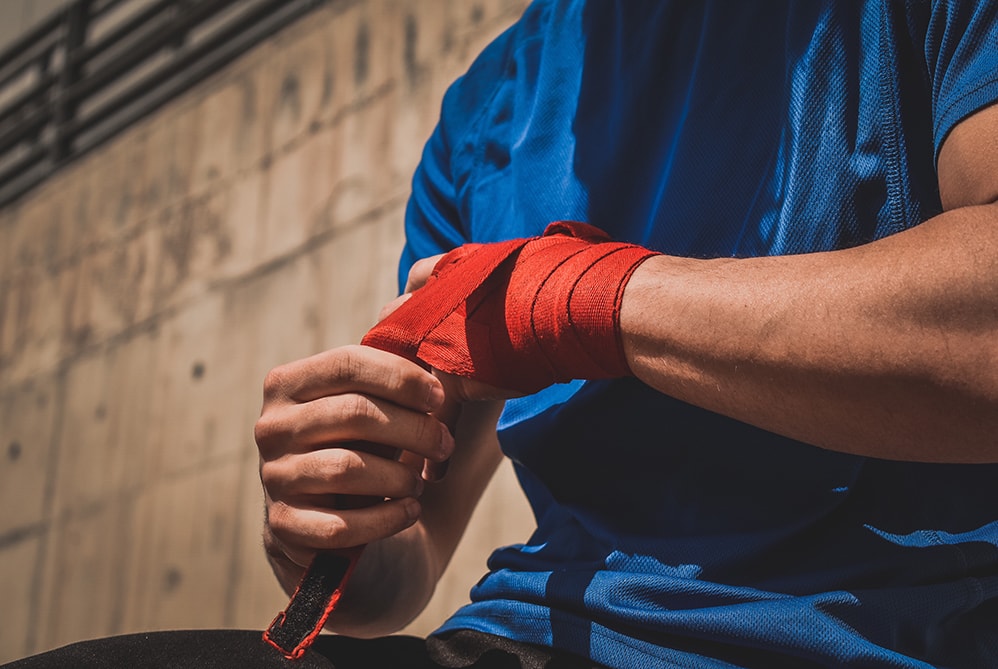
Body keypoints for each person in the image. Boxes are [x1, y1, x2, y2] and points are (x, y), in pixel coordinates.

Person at [5, 2, 996, 668]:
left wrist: (585, 300)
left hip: (892, 631)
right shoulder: (490, 106)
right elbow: (404, 571)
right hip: (538, 637)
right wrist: (342, 524)